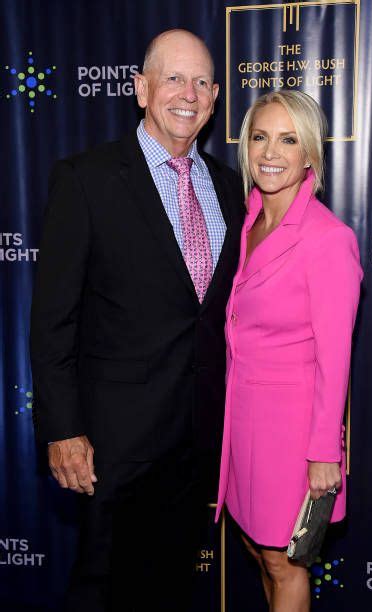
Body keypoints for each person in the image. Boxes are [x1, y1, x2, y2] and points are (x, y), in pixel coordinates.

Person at [30, 29, 244, 612]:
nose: (189, 93)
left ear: (217, 95)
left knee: (173, 587)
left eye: (202, 82)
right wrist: (62, 428)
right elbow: (53, 319)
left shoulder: (231, 188)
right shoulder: (86, 178)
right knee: (102, 588)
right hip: (111, 442)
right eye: (174, 78)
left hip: (197, 440)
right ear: (141, 88)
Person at [215, 91, 363, 611]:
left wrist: (325, 452)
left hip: (293, 434)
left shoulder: (327, 239)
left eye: (288, 139)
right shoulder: (248, 223)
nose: (271, 152)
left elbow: (335, 356)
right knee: (258, 551)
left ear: (309, 156)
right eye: (260, 137)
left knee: (286, 561)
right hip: (244, 425)